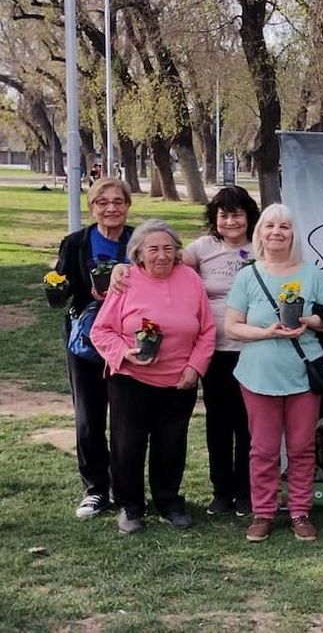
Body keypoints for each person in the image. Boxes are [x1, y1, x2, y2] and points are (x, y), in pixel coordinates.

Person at [90, 219, 216, 534]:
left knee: (171, 444)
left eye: (168, 249)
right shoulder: (126, 280)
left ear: (177, 252)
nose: (161, 255)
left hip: (179, 382)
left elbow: (207, 330)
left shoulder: (190, 279)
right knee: (127, 445)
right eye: (153, 249)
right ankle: (130, 507)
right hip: (131, 380)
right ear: (140, 254)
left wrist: (195, 367)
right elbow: (100, 330)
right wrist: (122, 353)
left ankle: (169, 503)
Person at [225, 204, 323, 543]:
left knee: (302, 447)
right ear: (260, 232)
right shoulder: (247, 276)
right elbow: (232, 327)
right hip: (259, 375)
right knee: (263, 449)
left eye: (285, 226)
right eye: (270, 225)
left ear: (293, 234)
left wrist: (308, 321)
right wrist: (266, 333)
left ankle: (301, 512)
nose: (277, 231)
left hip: (304, 375)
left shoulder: (311, 273)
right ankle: (263, 513)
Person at [54, 177, 134, 520]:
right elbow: (61, 287)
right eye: (103, 203)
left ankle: (124, 487)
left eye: (118, 202)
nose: (111, 208)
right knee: (89, 418)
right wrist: (55, 287)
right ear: (92, 207)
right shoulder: (76, 243)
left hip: (131, 342)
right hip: (85, 341)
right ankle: (95, 489)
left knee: (126, 418)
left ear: (128, 206)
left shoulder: (139, 241)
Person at [184, 187, 261, 516]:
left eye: (237, 214)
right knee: (217, 422)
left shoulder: (261, 248)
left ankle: (245, 492)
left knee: (248, 424)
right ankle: (221, 491)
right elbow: (165, 265)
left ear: (249, 216)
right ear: (215, 219)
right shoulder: (202, 248)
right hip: (213, 350)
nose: (231, 221)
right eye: (224, 214)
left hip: (253, 349)